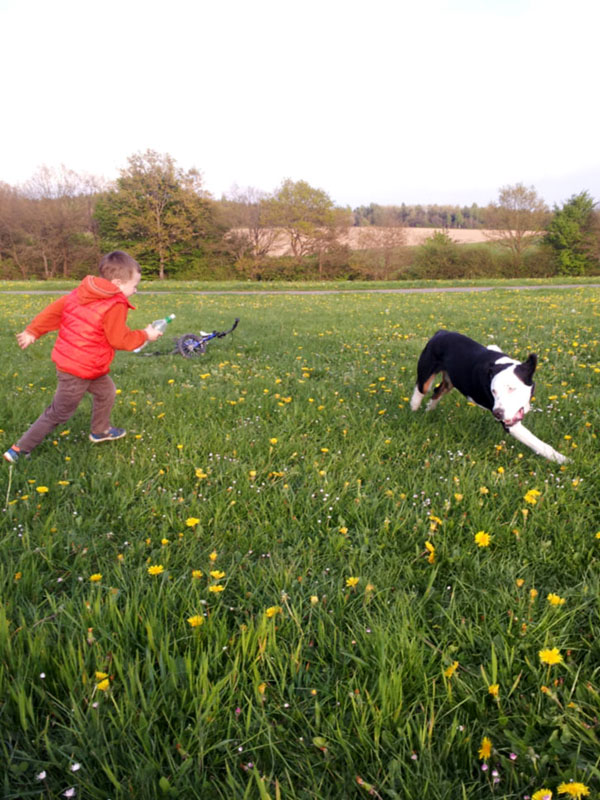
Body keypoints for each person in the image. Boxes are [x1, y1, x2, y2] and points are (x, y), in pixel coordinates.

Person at [3, 251, 163, 463]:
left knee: (106, 392)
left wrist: (33, 331)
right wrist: (145, 335)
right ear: (117, 283)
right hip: (77, 370)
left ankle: (100, 431)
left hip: (90, 365)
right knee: (58, 413)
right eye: (134, 285)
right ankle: (19, 450)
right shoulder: (114, 304)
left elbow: (54, 310)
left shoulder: (82, 292)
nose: (136, 290)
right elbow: (119, 339)